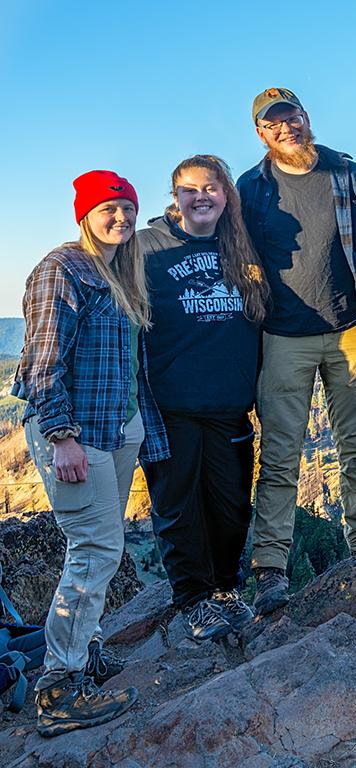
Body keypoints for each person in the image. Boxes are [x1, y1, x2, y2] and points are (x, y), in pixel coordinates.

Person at [13, 170, 169, 736]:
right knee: (95, 550)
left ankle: (87, 652)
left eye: (128, 208)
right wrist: (62, 436)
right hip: (77, 432)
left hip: (117, 428)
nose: (122, 218)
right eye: (110, 208)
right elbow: (40, 365)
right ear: (85, 213)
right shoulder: (62, 269)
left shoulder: (121, 272)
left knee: (103, 546)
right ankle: (59, 688)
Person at [237, 87, 356, 614]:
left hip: (351, 330)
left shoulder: (348, 174)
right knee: (281, 455)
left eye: (292, 117)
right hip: (283, 336)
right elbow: (228, 248)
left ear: (307, 118)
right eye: (273, 124)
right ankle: (271, 570)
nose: (286, 129)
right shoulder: (251, 188)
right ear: (260, 133)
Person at [139, 155, 270, 640]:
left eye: (210, 188)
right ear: (175, 196)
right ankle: (192, 599)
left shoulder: (241, 243)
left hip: (230, 404)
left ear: (225, 195)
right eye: (189, 189)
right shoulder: (146, 246)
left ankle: (224, 589)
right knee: (178, 506)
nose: (201, 197)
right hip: (170, 406)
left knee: (231, 504)